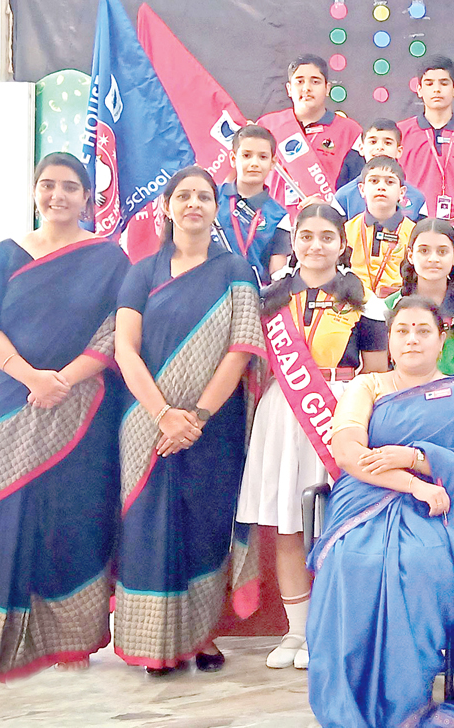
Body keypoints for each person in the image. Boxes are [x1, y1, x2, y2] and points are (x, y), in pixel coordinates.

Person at [307, 297, 454, 728]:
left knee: (419, 563)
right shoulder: (367, 387)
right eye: (402, 331)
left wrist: (418, 457)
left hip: (440, 509)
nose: (412, 340)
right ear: (389, 339)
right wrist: (412, 481)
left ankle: (405, 700)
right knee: (351, 561)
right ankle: (353, 694)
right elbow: (348, 453)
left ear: (442, 340)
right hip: (367, 499)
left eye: (423, 331)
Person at [0, 153, 131, 680]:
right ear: (35, 191)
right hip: (8, 400)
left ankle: (70, 641)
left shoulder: (109, 258)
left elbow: (118, 329)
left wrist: (65, 379)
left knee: (73, 515)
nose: (57, 195)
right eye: (48, 185)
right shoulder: (4, 254)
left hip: (82, 406)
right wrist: (32, 377)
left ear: (87, 198)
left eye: (70, 187)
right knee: (2, 516)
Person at [112, 166, 264, 675]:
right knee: (148, 528)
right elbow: (125, 349)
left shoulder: (235, 270)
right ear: (168, 206)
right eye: (184, 195)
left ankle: (202, 637)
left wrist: (195, 417)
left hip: (213, 427)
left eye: (203, 196)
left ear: (216, 208)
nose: (193, 203)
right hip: (146, 425)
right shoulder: (142, 272)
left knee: (204, 527)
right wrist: (163, 415)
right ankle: (152, 642)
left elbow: (241, 348)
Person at [236, 204, 387, 671]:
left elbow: (377, 374)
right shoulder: (269, 299)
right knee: (289, 524)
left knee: (342, 523)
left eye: (326, 237)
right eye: (306, 236)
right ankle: (296, 630)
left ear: (342, 243)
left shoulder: (365, 301)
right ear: (294, 241)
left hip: (343, 410)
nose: (315, 246)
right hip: (284, 410)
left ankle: (334, 627)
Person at [256, 54, 364, 195]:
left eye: (315, 82)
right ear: (289, 89)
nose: (306, 88)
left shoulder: (350, 132)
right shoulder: (267, 126)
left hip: (326, 209)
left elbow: (358, 190)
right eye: (299, 81)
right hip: (272, 209)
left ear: (327, 88)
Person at [397, 56, 454, 222]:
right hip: (412, 225)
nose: (436, 89)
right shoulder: (400, 133)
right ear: (419, 89)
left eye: (444, 83)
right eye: (429, 83)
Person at [389, 218, 454, 377]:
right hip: (400, 389)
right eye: (424, 251)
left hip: (451, 390)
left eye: (442, 252)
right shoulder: (390, 306)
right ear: (410, 255)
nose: (433, 259)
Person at [216, 124, 292, 284]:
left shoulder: (279, 216)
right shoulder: (211, 197)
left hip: (254, 293)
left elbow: (277, 274)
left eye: (263, 157)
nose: (254, 163)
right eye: (246, 155)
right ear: (233, 159)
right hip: (210, 287)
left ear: (273, 162)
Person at [345, 157, 417, 298]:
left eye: (390, 182)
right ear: (362, 189)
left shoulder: (413, 233)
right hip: (354, 302)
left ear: (402, 192)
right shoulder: (347, 230)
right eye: (374, 181)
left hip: (397, 304)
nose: (381, 187)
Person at [333, 119, 430, 222]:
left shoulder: (416, 198)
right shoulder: (344, 197)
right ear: (361, 148)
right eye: (373, 142)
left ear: (399, 151)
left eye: (387, 143)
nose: (380, 147)